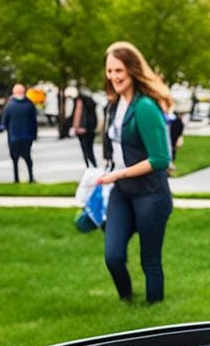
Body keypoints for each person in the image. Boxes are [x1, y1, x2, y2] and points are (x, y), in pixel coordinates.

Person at [96, 41, 173, 304]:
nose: (113, 77)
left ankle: (155, 313)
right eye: (109, 71)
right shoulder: (114, 104)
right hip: (123, 193)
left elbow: (161, 159)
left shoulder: (145, 107)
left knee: (149, 260)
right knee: (113, 255)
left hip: (151, 195)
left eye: (119, 70)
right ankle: (127, 302)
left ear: (131, 70)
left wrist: (119, 174)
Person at [1, 83, 37, 183]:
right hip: (27, 137)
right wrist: (34, 136)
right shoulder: (30, 104)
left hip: (14, 137)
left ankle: (16, 178)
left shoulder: (9, 105)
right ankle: (30, 177)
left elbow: (5, 123)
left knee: (15, 159)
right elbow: (34, 122)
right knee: (28, 158)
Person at [71, 89, 98, 168]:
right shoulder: (86, 108)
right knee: (86, 151)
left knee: (88, 150)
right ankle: (90, 167)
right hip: (83, 131)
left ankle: (93, 167)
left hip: (85, 131)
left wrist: (82, 128)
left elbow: (80, 118)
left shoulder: (86, 109)